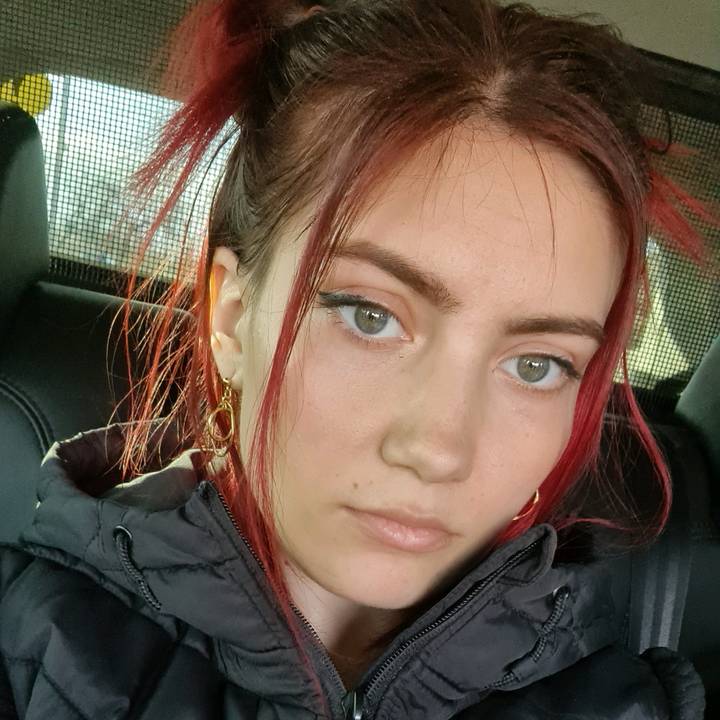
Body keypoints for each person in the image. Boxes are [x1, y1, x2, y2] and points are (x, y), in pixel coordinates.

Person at [0, 1, 711, 718]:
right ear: (232, 318)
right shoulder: (24, 645)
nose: (438, 450)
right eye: (370, 317)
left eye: (538, 365)